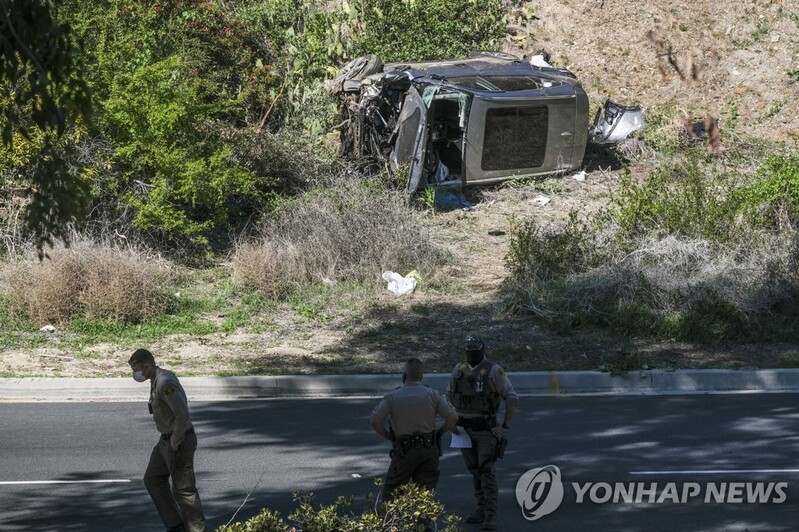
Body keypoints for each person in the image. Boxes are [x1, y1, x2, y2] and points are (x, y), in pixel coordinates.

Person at [128, 348, 207, 532]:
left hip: (178, 440)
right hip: (165, 440)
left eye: (137, 370)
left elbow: (182, 416)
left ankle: (197, 530)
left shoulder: (165, 383)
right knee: (153, 479)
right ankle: (175, 526)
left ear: (146, 367)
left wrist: (175, 442)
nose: (136, 374)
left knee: (184, 491)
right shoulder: (155, 380)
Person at [447, 335, 518, 531]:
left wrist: (505, 426)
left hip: (485, 429)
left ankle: (490, 513)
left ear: (483, 349)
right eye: (468, 347)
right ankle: (481, 508)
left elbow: (511, 397)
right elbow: (449, 398)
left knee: (486, 471)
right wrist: (450, 423)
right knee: (474, 471)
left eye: (475, 347)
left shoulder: (494, 371)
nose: (471, 351)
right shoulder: (459, 370)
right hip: (462, 429)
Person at [370, 357, 459, 503]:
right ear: (421, 376)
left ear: (404, 375)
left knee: (392, 494)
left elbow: (375, 421)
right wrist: (440, 432)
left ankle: (389, 518)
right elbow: (453, 417)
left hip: (403, 451)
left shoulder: (393, 396)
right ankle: (422, 518)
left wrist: (389, 436)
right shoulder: (433, 394)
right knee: (425, 495)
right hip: (428, 449)